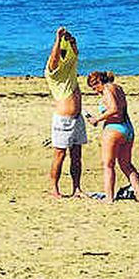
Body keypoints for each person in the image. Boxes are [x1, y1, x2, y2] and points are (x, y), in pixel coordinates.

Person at [86, 70, 139, 202]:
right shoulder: (118, 88)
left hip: (114, 129)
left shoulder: (107, 89)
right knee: (126, 164)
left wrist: (97, 119)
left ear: (99, 82)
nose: (96, 91)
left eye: (95, 87)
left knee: (108, 165)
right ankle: (138, 192)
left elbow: (114, 109)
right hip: (128, 129)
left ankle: (109, 197)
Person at [45, 26, 85, 197]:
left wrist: (70, 39)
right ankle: (54, 188)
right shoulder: (52, 72)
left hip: (77, 118)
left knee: (77, 155)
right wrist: (57, 39)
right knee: (60, 154)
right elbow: (53, 60)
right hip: (63, 119)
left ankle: (77, 188)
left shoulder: (69, 65)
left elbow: (75, 51)